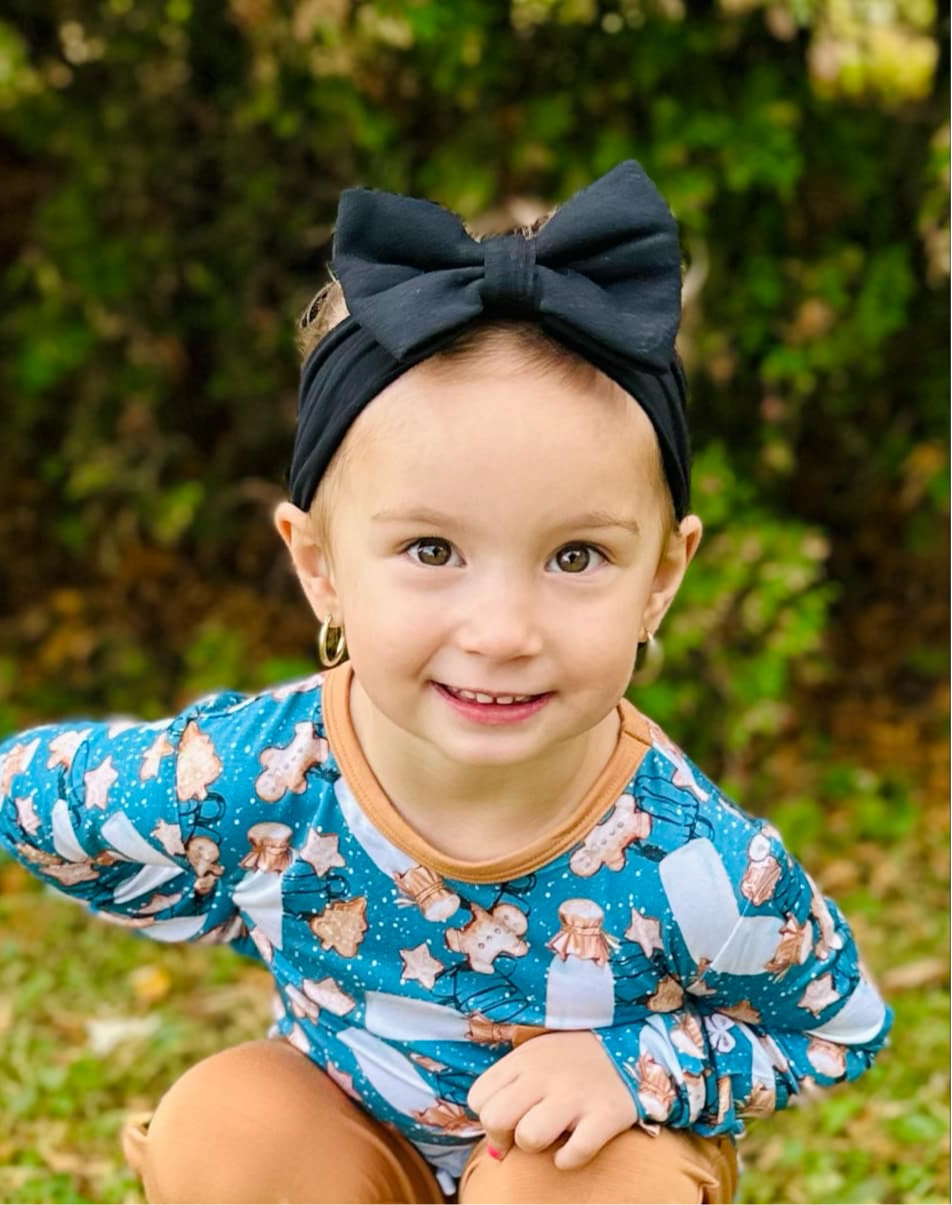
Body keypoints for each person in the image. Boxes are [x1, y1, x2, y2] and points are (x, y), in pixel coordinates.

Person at [0, 162, 892, 1205]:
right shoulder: (260, 772)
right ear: (319, 565)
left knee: (563, 1184)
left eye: (574, 558)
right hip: (349, 1135)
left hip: (586, 1159)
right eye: (430, 549)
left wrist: (635, 1063)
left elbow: (834, 1026)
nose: (503, 632)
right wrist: (220, 893)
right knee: (229, 1119)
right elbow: (37, 796)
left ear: (661, 576)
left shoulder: (699, 864)